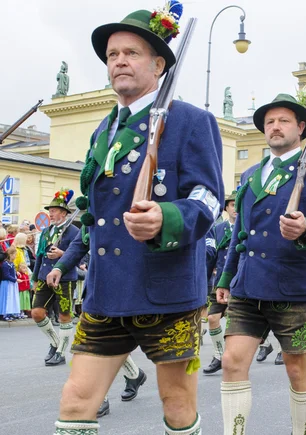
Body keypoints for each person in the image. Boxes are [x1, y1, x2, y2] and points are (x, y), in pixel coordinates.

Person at [45, 4, 224, 434]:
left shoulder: (191, 121)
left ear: (159, 64)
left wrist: (168, 217)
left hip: (167, 289)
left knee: (177, 404)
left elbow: (209, 198)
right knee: (75, 400)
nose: (119, 61)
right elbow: (94, 216)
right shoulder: (103, 130)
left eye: (132, 52)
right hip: (106, 292)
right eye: (112, 55)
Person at [215, 93, 306, 435]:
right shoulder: (251, 175)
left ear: (301, 127)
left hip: (294, 288)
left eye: (283, 120)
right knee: (231, 362)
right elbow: (241, 233)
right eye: (269, 122)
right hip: (248, 286)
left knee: (296, 366)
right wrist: (227, 277)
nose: (275, 127)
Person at [31, 189, 79, 367]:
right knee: (37, 313)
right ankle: (54, 342)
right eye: (50, 210)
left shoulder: (74, 231)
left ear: (64, 213)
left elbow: (81, 257)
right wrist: (35, 278)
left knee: (64, 315)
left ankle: (60, 352)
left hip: (64, 279)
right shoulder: (46, 232)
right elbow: (40, 255)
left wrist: (62, 253)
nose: (50, 213)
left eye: (54, 210)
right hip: (44, 277)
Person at [203, 190, 238, 375]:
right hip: (219, 283)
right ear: (226, 208)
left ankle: (271, 346)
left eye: (238, 205)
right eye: (232, 205)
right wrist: (205, 281)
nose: (235, 209)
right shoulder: (218, 229)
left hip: (239, 284)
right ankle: (219, 355)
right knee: (212, 318)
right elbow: (212, 256)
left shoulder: (245, 228)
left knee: (236, 326)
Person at [0, 247, 19, 321]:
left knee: (12, 297)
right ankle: (5, 313)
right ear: (10, 255)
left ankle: (11, 312)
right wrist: (15, 279)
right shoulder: (5, 264)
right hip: (7, 284)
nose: (15, 256)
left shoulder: (11, 263)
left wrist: (16, 273)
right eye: (14, 254)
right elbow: (6, 275)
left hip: (11, 283)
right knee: (7, 298)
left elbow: (12, 272)